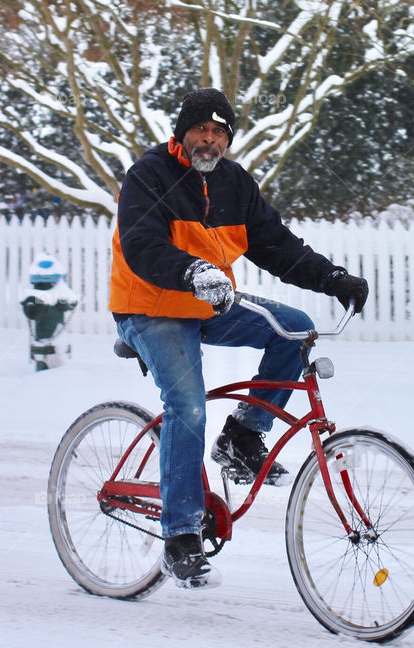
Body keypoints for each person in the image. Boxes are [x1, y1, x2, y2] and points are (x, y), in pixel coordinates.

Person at [109, 88, 368, 589]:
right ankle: (180, 536)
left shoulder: (235, 184)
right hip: (149, 307)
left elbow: (278, 247)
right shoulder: (149, 175)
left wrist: (333, 279)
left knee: (293, 329)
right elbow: (141, 245)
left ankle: (243, 436)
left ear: (227, 139)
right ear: (182, 133)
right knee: (187, 403)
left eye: (219, 131)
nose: (209, 139)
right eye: (200, 130)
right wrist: (192, 272)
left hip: (207, 300)